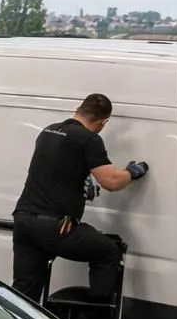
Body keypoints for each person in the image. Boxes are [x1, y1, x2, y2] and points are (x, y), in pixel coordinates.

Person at [11, 93, 147, 303]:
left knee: (24, 292)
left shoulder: (49, 131)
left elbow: (58, 170)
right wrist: (132, 172)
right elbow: (111, 181)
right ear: (104, 122)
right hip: (55, 227)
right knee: (108, 252)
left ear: (78, 109)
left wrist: (81, 181)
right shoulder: (89, 139)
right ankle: (94, 316)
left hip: (24, 221)